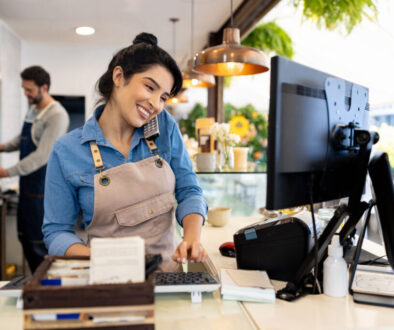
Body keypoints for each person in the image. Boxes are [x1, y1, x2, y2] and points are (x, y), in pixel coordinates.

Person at [42, 33, 208, 266]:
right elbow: (56, 231)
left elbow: (189, 190)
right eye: (150, 87)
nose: (156, 105)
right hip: (106, 277)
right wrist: (101, 259)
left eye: (163, 98)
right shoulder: (66, 150)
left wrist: (192, 237)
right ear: (119, 77)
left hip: (166, 278)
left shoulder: (164, 128)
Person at [0, 66, 70, 273]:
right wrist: (2, 147)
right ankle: (37, 285)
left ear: (44, 87)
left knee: (40, 245)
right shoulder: (34, 110)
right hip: (27, 188)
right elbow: (21, 141)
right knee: (25, 238)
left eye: (29, 90)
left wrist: (5, 172)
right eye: (24, 89)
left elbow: (41, 156)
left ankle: (49, 290)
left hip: (43, 190)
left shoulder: (57, 115)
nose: (26, 94)